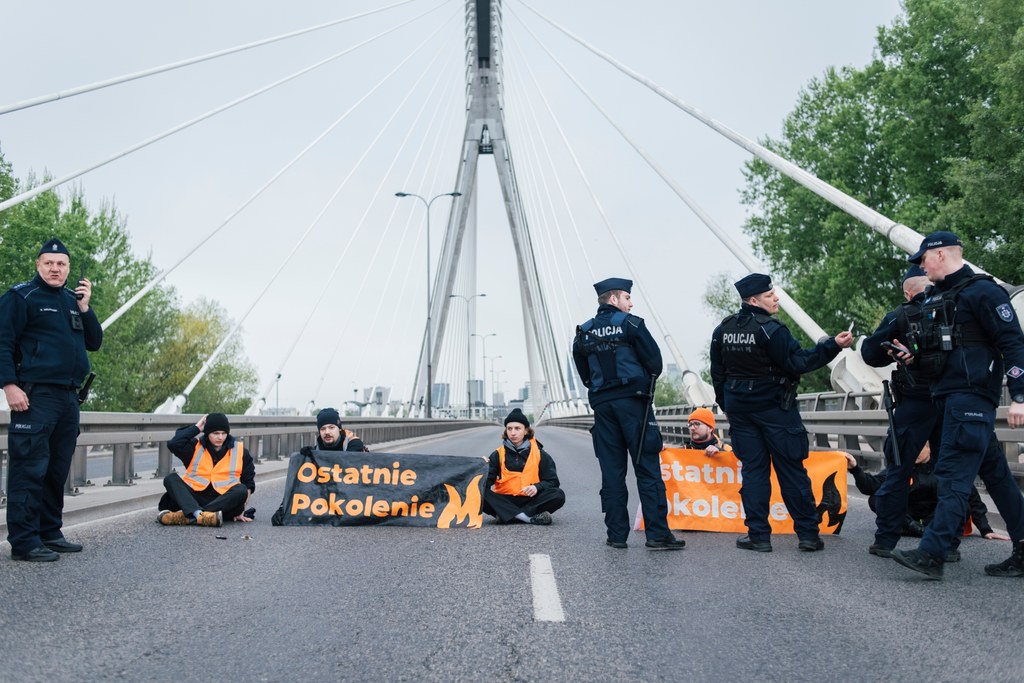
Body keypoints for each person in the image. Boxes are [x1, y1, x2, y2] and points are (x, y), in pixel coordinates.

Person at [889, 231, 1024, 580]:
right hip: (949, 398)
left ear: (942, 255)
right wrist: (912, 359)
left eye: (923, 259)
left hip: (971, 398)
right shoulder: (938, 297)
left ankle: (932, 553)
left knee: (951, 475)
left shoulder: (983, 292)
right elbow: (941, 351)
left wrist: (1021, 396)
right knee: (997, 477)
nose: (920, 265)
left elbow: (1013, 342)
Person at [709, 273, 854, 553]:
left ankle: (759, 536)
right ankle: (808, 536)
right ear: (754, 300)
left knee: (753, 473)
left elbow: (718, 373)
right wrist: (833, 345)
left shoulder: (722, 330)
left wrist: (728, 406)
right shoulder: (771, 330)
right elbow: (799, 362)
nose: (776, 298)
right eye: (769, 295)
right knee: (791, 471)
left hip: (741, 412)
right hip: (776, 409)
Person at [0, 238, 102, 562]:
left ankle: (49, 532)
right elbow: (2, 342)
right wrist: (8, 386)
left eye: (61, 264)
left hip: (69, 398)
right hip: (35, 396)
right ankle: (24, 541)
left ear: (68, 269)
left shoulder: (74, 301)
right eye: (49, 263)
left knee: (56, 470)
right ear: (38, 265)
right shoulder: (21, 297)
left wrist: (86, 309)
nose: (55, 269)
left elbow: (95, 342)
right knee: (29, 470)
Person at [572, 277, 685, 550]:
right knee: (647, 469)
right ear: (614, 299)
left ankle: (616, 535)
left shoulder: (583, 332)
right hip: (635, 406)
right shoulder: (632, 325)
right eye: (627, 298)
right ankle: (657, 535)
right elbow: (655, 362)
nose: (631, 303)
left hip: (603, 408)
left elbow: (584, 373)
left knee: (612, 473)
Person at [859, 264, 944, 558]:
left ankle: (885, 541)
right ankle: (948, 542)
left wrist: (895, 351)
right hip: (952, 399)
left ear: (908, 292)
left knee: (898, 470)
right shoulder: (954, 304)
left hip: (915, 401)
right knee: (951, 471)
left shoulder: (901, 315)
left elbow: (869, 353)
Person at [843, 447, 1009, 550]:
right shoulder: (900, 468)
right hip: (908, 518)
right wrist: (856, 469)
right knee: (878, 498)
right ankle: (915, 529)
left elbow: (971, 496)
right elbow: (871, 486)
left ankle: (928, 531)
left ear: (929, 447)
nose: (914, 451)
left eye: (919, 447)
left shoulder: (944, 468)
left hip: (935, 518)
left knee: (960, 501)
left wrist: (986, 529)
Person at [158, 413, 255, 527]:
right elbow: (174, 444)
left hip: (223, 501)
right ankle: (200, 515)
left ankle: (190, 516)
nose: (220, 437)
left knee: (241, 490)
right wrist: (197, 428)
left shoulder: (240, 451)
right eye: (215, 433)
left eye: (223, 433)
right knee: (171, 478)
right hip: (195, 497)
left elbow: (248, 484)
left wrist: (241, 510)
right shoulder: (195, 447)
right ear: (207, 433)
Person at [482, 409, 566, 525]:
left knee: (558, 495)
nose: (513, 433)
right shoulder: (498, 454)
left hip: (531, 500)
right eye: (509, 428)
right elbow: (485, 484)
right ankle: (526, 518)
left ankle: (507, 515)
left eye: (517, 428)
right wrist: (482, 468)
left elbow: (553, 481)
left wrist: (537, 487)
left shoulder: (540, 454)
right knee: (479, 493)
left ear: (526, 430)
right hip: (505, 499)